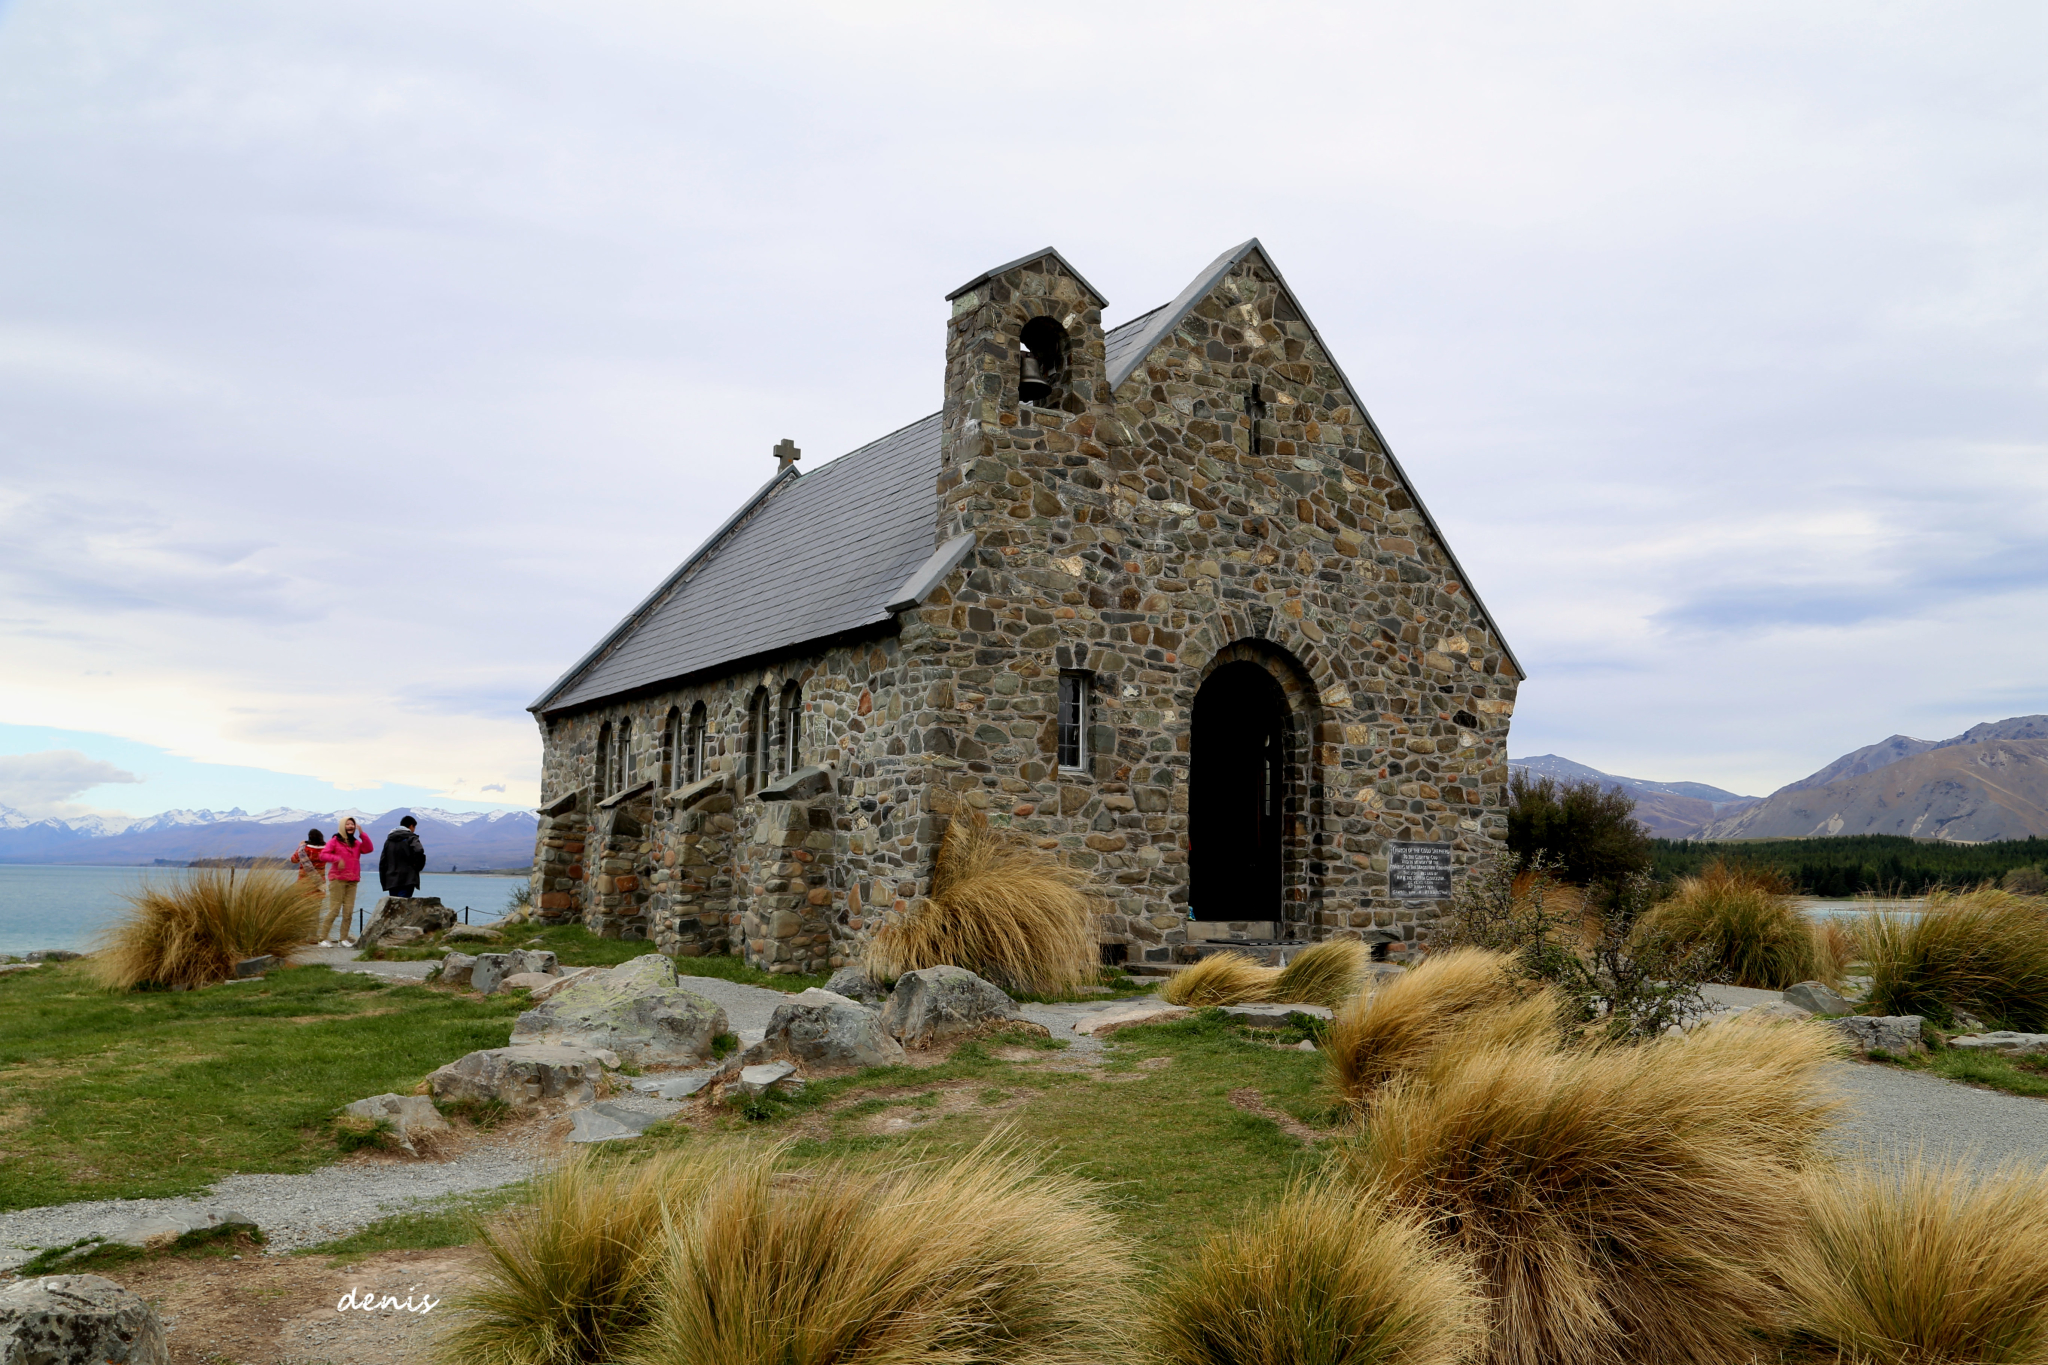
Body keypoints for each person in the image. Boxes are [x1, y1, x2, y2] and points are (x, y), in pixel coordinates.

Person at [316, 817, 374, 948]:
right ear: (342, 826)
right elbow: (323, 855)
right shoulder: (334, 841)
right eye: (347, 824)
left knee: (348, 911)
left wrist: (362, 834)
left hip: (352, 880)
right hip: (337, 879)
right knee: (334, 910)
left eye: (352, 824)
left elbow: (369, 849)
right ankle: (322, 938)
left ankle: (343, 939)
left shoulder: (357, 843)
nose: (350, 826)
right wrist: (337, 859)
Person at [379, 815, 427, 899]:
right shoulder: (411, 838)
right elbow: (419, 851)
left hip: (391, 879)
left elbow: (383, 862)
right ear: (411, 826)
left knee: (394, 906)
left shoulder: (389, 840)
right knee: (403, 906)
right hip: (408, 879)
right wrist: (417, 867)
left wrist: (384, 880)